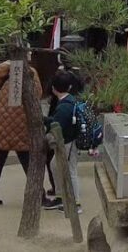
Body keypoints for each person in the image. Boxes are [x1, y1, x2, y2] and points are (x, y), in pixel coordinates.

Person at [0, 57, 59, 206]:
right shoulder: (30, 73)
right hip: (22, 124)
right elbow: (38, 93)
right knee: (29, 164)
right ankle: (39, 196)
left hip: (1, 122)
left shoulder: (1, 72)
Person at [45, 71, 82, 214]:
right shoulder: (71, 101)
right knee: (56, 166)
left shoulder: (63, 106)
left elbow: (57, 125)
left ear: (54, 88)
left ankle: (75, 202)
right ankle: (62, 196)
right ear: (70, 86)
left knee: (69, 170)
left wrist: (45, 120)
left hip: (67, 141)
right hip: (72, 140)